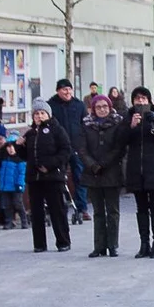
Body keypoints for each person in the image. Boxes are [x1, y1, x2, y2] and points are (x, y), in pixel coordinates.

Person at [121, 86, 154, 259]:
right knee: (141, 208)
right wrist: (132, 126)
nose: (141, 102)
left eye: (144, 99)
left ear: (149, 101)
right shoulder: (128, 116)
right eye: (137, 99)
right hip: (137, 170)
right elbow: (121, 140)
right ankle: (144, 243)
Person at [77, 94, 126, 257]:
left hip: (111, 171)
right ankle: (99, 246)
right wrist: (92, 165)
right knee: (98, 212)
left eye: (105, 106)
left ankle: (113, 245)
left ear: (110, 107)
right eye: (98, 107)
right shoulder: (86, 125)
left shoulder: (117, 124)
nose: (102, 110)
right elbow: (82, 149)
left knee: (112, 211)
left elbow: (119, 148)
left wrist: (103, 164)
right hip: (93, 173)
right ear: (93, 109)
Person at [23, 99, 72, 252]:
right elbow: (27, 155)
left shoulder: (57, 130)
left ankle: (63, 241)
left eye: (42, 113)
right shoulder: (30, 133)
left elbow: (65, 151)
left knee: (57, 210)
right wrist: (17, 147)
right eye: (36, 114)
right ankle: (39, 244)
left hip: (53, 177)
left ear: (48, 114)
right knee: (36, 212)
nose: (39, 116)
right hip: (34, 178)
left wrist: (50, 165)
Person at [49, 79, 90, 222]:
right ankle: (58, 206)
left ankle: (82, 208)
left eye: (69, 89)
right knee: (57, 177)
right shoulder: (51, 105)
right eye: (64, 89)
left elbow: (85, 125)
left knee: (80, 176)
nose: (67, 92)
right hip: (58, 148)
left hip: (76, 147)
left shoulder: (79, 105)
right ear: (58, 91)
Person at [0, 125, 28, 230]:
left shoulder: (20, 160)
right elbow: (3, 171)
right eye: (9, 146)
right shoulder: (4, 159)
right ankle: (9, 221)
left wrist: (20, 184)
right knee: (6, 205)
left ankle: (24, 220)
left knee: (18, 204)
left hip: (16, 187)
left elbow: (22, 173)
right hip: (5, 186)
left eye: (13, 147)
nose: (11, 149)